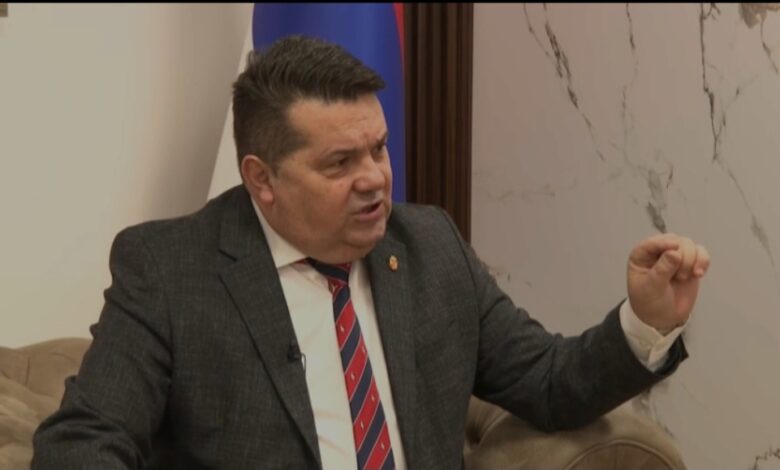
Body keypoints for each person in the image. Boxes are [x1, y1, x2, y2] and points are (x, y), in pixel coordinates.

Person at [32, 35, 710, 470]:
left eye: (379, 149)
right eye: (340, 162)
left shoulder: (430, 246)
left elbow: (550, 383)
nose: (376, 179)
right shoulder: (171, 270)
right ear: (262, 179)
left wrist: (645, 320)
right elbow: (83, 441)